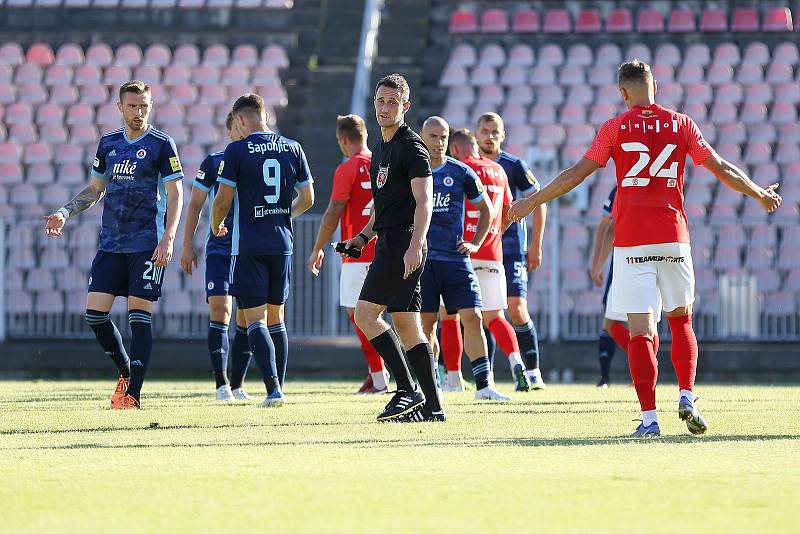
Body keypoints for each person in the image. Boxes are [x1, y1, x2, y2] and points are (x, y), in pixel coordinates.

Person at [508, 60, 781, 437]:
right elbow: (721, 167)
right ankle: (687, 394)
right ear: (657, 86)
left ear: (623, 93)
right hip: (673, 236)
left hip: (632, 241)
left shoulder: (615, 128)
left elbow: (574, 175)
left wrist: (531, 201)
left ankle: (650, 419)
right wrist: (759, 193)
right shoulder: (682, 124)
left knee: (640, 331)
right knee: (681, 320)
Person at [42, 80, 184, 409]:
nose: (139, 112)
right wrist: (65, 212)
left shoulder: (162, 144)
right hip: (111, 243)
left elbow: (176, 193)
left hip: (147, 243)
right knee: (94, 315)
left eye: (144, 106)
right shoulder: (108, 143)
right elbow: (95, 190)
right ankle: (125, 372)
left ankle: (132, 395)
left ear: (150, 106)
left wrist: (169, 237)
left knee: (139, 315)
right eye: (132, 106)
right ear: (120, 107)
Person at [341, 73, 444, 422]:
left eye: (392, 102)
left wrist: (415, 246)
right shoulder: (380, 150)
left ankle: (406, 389)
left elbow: (424, 202)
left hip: (404, 243)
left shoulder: (412, 146)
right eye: (381, 101)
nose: (385, 108)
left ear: (405, 106)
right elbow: (385, 208)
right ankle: (433, 406)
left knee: (366, 315)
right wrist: (362, 237)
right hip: (390, 239)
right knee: (408, 326)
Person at [211, 93, 315, 408]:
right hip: (281, 242)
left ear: (241, 119)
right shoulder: (292, 147)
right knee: (277, 318)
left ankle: (273, 391)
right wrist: (284, 215)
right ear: (264, 114)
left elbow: (223, 199)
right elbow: (308, 197)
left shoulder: (236, 149)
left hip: (249, 244)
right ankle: (279, 386)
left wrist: (217, 225)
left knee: (254, 319)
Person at [418, 117, 508, 401]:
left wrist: (476, 242)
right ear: (423, 137)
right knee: (427, 323)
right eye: (433, 137)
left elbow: (487, 210)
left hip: (456, 260)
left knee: (474, 316)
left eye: (443, 137)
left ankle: (484, 387)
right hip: (424, 261)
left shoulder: (461, 172)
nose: (438, 142)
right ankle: (430, 385)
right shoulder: (412, 171)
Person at [307, 114, 388, 394]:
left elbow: (333, 212)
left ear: (343, 140)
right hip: (386, 250)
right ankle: (384, 374)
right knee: (388, 317)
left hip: (359, 253)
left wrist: (317, 247)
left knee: (360, 316)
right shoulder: (382, 162)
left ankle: (379, 378)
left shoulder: (348, 168)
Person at [446, 129, 524, 397]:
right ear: (475, 145)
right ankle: (517, 362)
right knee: (495, 316)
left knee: (451, 317)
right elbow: (508, 212)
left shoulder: (456, 169)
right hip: (492, 252)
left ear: (455, 149)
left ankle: (453, 378)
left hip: (461, 251)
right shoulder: (499, 171)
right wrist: (495, 233)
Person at [180, 112, 253, 402]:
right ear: (230, 129)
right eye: (237, 126)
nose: (243, 130)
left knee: (247, 317)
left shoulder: (258, 160)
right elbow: (196, 203)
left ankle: (238, 384)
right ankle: (221, 384)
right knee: (221, 309)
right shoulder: (213, 162)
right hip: (220, 249)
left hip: (249, 250)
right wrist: (187, 245)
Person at [475, 112, 547, 389]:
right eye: (485, 131)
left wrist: (536, 244)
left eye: (495, 131)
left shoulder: (514, 165)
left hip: (512, 248)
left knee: (516, 308)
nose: (490, 136)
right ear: (476, 133)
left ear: (502, 136)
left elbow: (540, 201)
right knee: (484, 313)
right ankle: (488, 376)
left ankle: (533, 373)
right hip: (481, 249)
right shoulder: (469, 166)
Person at [589, 186, 661, 388]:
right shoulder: (659, 184)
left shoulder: (624, 187)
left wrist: (599, 263)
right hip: (658, 257)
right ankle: (648, 372)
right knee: (651, 323)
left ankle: (641, 368)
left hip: (626, 260)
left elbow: (609, 227)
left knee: (611, 324)